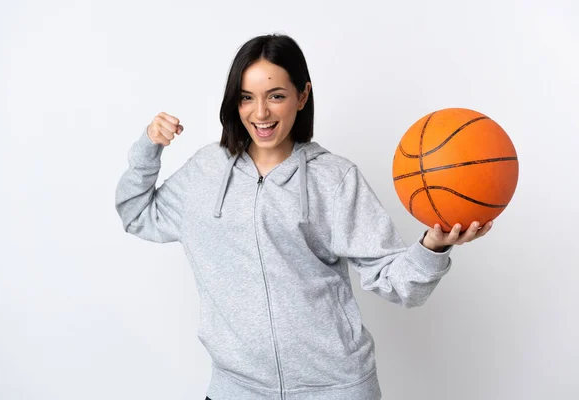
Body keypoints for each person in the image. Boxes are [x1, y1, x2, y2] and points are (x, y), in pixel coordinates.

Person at [115, 34, 492, 400]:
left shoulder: (334, 178)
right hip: (237, 390)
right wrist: (149, 147)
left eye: (275, 96)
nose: (260, 113)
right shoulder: (206, 171)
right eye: (247, 98)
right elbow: (137, 214)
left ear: (302, 95)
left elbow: (396, 283)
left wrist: (432, 247)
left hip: (336, 389)